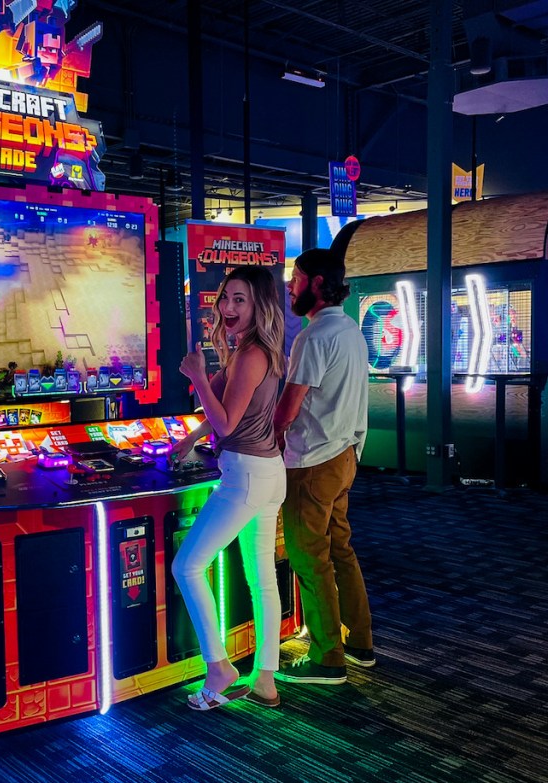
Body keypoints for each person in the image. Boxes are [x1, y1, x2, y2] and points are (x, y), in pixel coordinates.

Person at [170, 264, 288, 711]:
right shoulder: (258, 350)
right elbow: (219, 413)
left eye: (240, 299)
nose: (228, 307)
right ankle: (266, 679)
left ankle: (218, 666)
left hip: (246, 475)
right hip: (267, 471)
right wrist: (190, 438)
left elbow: (226, 420)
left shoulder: (252, 354)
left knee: (188, 567)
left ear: (259, 305)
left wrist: (198, 375)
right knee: (261, 581)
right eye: (225, 298)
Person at [271, 248, 374, 686]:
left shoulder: (312, 337)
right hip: (344, 456)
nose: (289, 287)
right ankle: (359, 642)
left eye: (295, 278)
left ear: (316, 282)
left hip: (311, 462)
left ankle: (327, 657)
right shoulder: (349, 329)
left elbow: (288, 409)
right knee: (340, 551)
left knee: (308, 557)